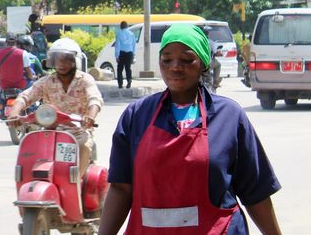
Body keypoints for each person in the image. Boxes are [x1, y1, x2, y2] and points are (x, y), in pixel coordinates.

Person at [99, 24, 281, 234]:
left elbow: (255, 191)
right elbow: (121, 188)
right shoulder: (137, 116)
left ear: (203, 63)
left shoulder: (229, 116)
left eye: (186, 60)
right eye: (167, 59)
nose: (175, 67)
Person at [7, 38, 103, 174]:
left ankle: (76, 182)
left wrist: (90, 116)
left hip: (78, 132)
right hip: (50, 131)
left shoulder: (85, 80)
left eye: (66, 60)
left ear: (75, 61)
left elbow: (95, 99)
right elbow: (25, 97)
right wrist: (14, 113)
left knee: (83, 146)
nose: (61, 64)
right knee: (30, 151)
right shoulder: (46, 81)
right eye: (57, 60)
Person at [114, 21, 135, 89]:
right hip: (130, 53)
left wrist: (117, 55)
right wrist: (133, 54)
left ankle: (120, 84)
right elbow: (134, 45)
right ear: (127, 26)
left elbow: (117, 45)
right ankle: (129, 80)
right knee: (128, 68)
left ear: (121, 26)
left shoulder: (119, 34)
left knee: (120, 69)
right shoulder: (131, 34)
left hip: (122, 53)